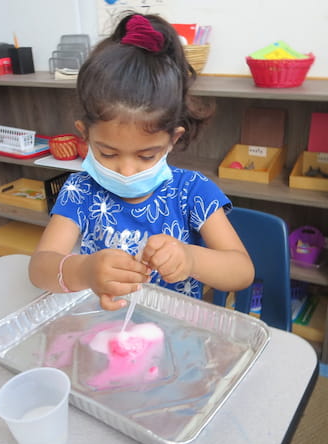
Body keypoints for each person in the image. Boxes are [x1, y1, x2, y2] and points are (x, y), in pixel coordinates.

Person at [29, 12, 254, 310]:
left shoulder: (192, 192)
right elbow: (39, 268)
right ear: (85, 135)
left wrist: (190, 258)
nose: (126, 171)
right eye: (107, 153)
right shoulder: (80, 191)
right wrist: (84, 271)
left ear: (172, 140)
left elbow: (242, 271)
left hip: (175, 336)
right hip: (105, 333)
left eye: (146, 155)